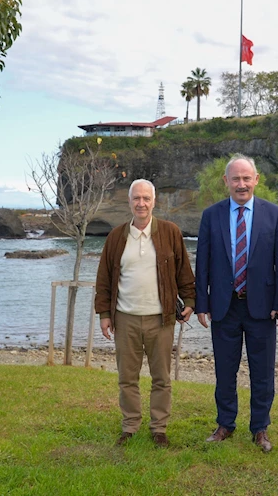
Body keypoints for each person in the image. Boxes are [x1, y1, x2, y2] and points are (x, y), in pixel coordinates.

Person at [195, 153, 278, 452]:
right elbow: (203, 263)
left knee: (262, 371)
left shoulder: (273, 214)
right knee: (225, 370)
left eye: (246, 178)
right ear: (226, 182)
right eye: (235, 178)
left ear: (256, 180)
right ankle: (225, 424)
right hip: (224, 306)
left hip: (262, 307)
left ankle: (260, 428)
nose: (241, 184)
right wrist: (201, 303)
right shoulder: (212, 215)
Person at [95, 179, 195, 448]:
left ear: (154, 202)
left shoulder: (170, 232)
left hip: (161, 318)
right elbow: (104, 278)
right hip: (124, 317)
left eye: (146, 199)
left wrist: (190, 300)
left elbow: (184, 271)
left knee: (161, 378)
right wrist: (104, 313)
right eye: (136, 198)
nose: (141, 203)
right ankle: (130, 426)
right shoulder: (116, 237)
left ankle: (159, 428)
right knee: (127, 377)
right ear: (130, 202)